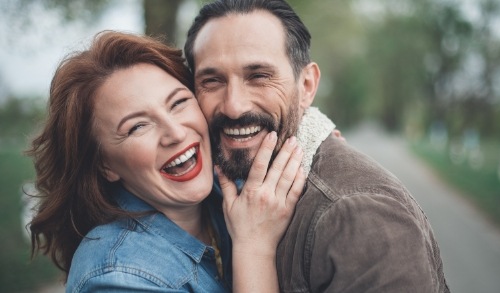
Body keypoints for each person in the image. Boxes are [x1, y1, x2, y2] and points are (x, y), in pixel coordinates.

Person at [184, 0, 450, 292]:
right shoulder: (218, 183)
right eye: (212, 80)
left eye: (258, 76)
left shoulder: (357, 215)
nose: (234, 106)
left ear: (307, 86)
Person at [27, 30, 307, 292]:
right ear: (105, 165)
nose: (175, 133)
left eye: (178, 103)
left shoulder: (226, 184)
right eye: (137, 127)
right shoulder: (117, 277)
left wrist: (317, 136)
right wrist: (254, 247)